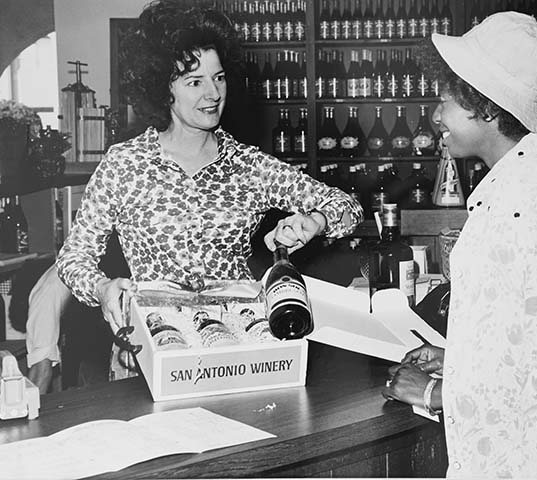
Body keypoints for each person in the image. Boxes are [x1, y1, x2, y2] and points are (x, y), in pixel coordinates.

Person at [31, 0, 361, 384]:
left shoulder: (248, 165)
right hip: (148, 355)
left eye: (218, 78)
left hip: (239, 353)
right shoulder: (125, 164)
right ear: (162, 87)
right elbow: (74, 258)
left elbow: (348, 207)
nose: (212, 93)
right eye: (194, 81)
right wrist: (103, 288)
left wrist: (315, 221)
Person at [382, 11, 537, 479]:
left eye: (446, 100)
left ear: (487, 107)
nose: (435, 115)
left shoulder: (528, 205)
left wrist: (433, 392)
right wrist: (460, 361)